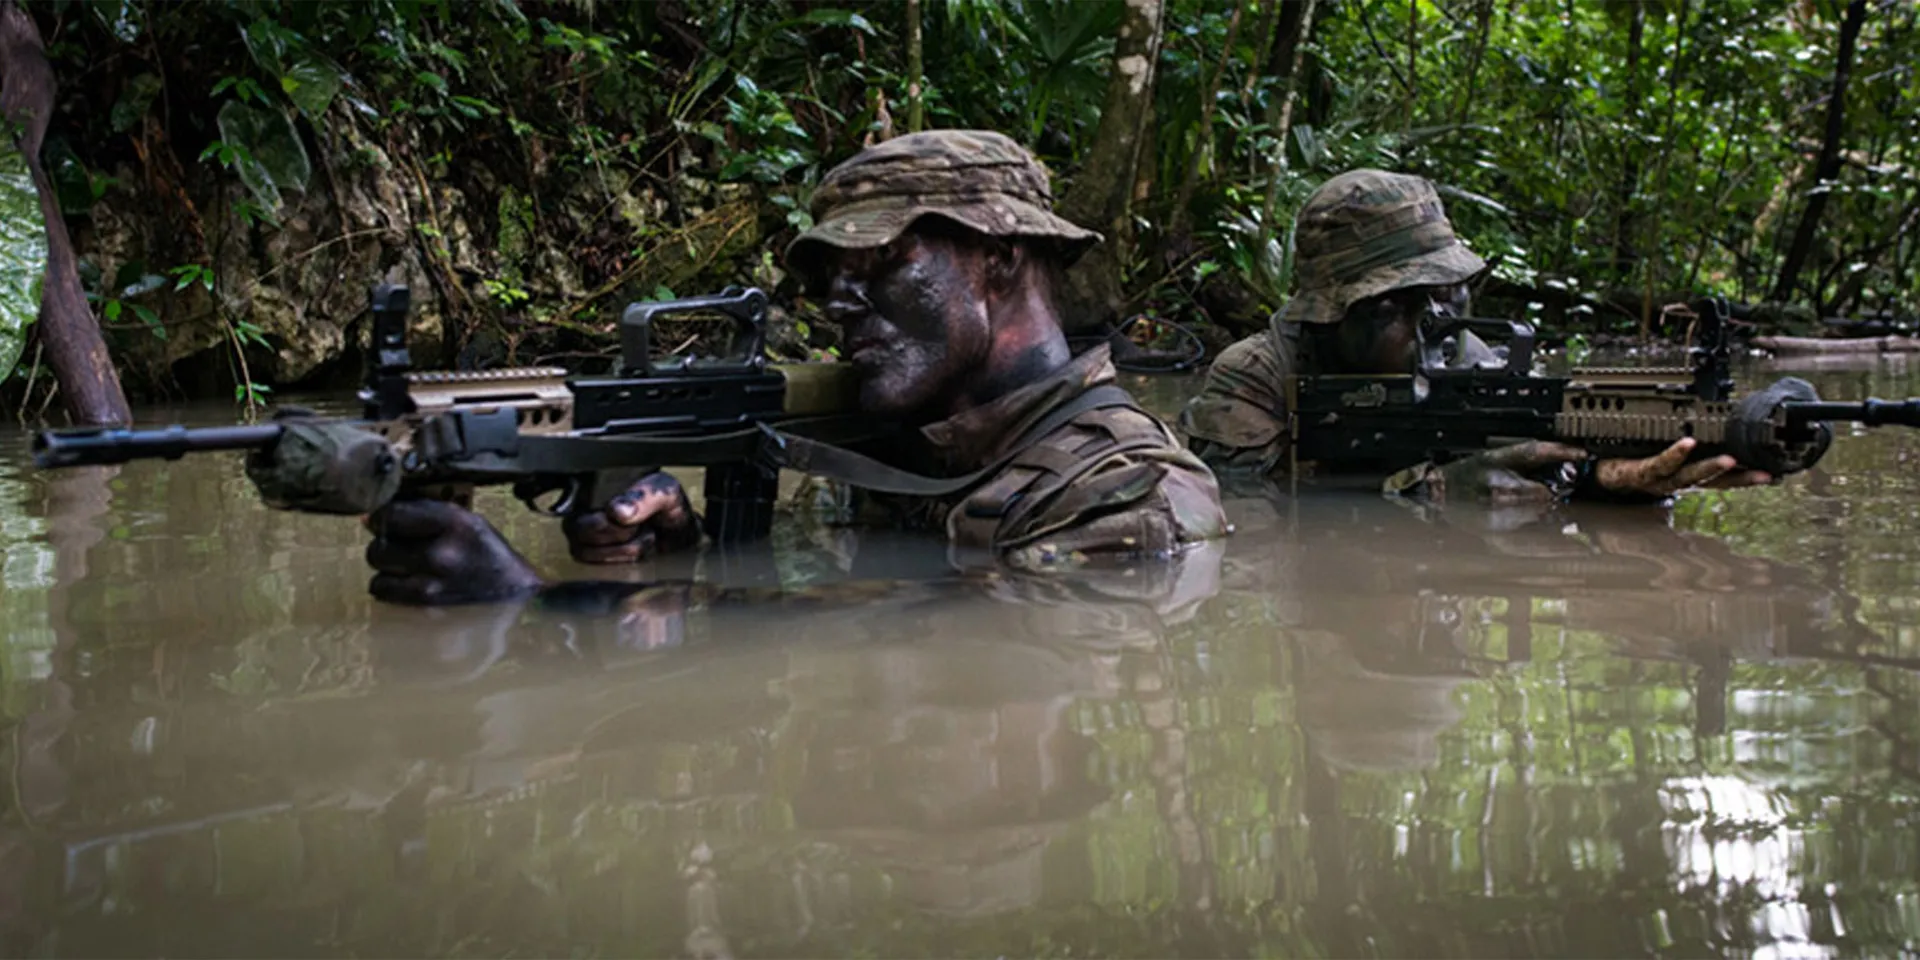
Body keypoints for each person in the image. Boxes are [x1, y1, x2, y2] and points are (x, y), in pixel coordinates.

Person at [351, 130, 1229, 606]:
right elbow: (833, 592)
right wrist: (683, 554)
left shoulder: (1124, 495)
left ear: (997, 259)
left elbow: (967, 650)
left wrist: (532, 607)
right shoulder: (904, 446)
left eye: (879, 262)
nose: (838, 302)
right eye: (828, 276)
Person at [1178, 168, 1773, 505]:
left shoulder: (1466, 354)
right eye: (1396, 305)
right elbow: (1240, 514)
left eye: (1450, 292)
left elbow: (1541, 452)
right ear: (1333, 313)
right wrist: (1435, 491)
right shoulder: (1256, 375)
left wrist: (1600, 477)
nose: (1436, 322)